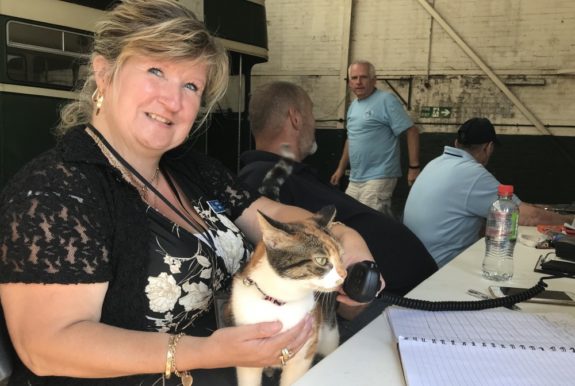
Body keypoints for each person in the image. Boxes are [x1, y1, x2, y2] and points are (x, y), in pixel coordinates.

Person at [0, 2, 380, 385]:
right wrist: (208, 351)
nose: (173, 100)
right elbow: (46, 345)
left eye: (190, 86)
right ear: (104, 73)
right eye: (156, 71)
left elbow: (275, 217)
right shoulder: (55, 191)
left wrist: (345, 237)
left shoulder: (192, 169)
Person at [240, 81, 438, 298]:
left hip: (410, 291)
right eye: (311, 113)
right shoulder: (264, 179)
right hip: (384, 302)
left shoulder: (290, 173)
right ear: (296, 118)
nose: (313, 123)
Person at [403, 117, 575, 268]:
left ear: (456, 143)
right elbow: (526, 216)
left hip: (415, 261)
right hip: (440, 268)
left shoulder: (436, 163)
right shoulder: (472, 173)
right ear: (488, 147)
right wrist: (569, 220)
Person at [330, 60, 421, 217]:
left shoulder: (386, 100)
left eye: (363, 77)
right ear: (349, 82)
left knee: (368, 222)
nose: (358, 82)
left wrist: (414, 168)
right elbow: (351, 139)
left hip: (380, 176)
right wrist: (340, 168)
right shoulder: (353, 106)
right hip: (355, 178)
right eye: (354, 78)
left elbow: (412, 131)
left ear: (374, 80)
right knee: (348, 218)